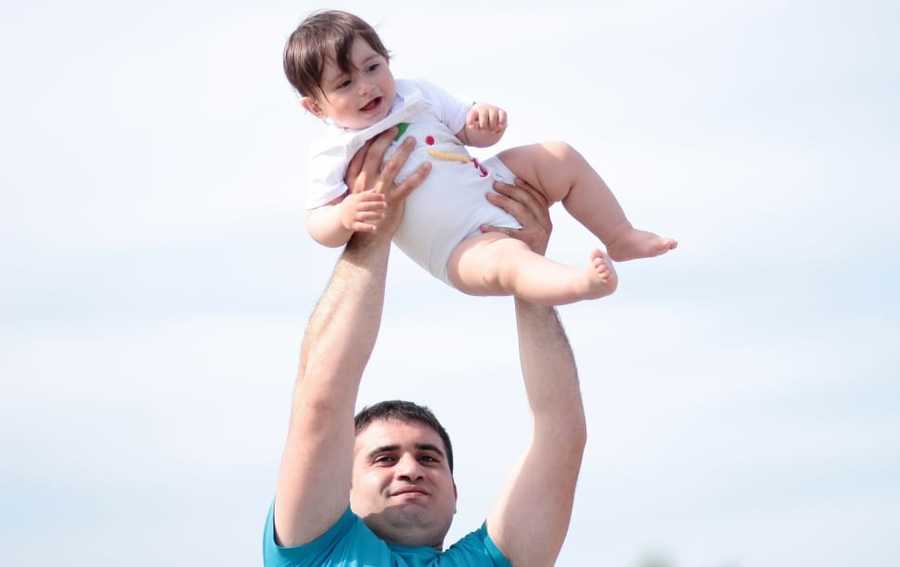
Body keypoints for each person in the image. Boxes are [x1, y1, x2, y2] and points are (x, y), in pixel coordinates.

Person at [263, 128, 588, 566]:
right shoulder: (314, 550)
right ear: (343, 483)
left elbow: (561, 434)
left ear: (454, 492)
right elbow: (320, 399)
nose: (410, 469)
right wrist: (375, 231)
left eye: (429, 458)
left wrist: (530, 281)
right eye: (384, 458)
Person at [283, 10, 677, 306]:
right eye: (345, 83)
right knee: (511, 261)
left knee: (558, 155)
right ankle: (578, 284)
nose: (366, 86)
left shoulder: (416, 93)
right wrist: (343, 216)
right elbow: (317, 223)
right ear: (314, 106)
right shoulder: (333, 149)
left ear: (387, 59)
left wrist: (485, 122)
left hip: (488, 183)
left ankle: (620, 235)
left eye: (373, 67)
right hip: (459, 245)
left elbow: (468, 128)